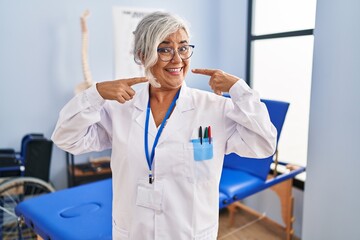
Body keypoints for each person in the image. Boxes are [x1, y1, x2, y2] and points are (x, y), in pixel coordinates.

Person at [51, 11, 277, 240]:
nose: (178, 59)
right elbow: (66, 138)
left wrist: (240, 90)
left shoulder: (215, 109)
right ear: (142, 54)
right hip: (134, 232)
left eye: (183, 48)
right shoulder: (120, 109)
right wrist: (96, 94)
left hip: (189, 233)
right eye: (165, 49)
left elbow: (264, 144)